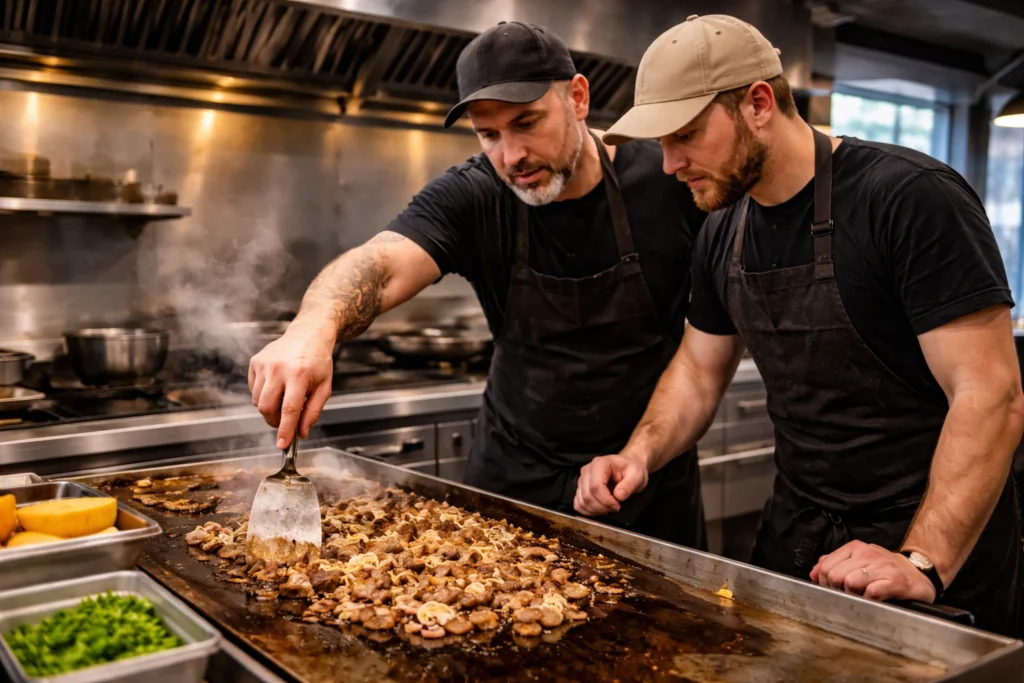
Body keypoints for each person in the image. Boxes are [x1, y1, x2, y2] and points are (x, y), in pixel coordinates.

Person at [574, 13, 1023, 635]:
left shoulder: (910, 198)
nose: (670, 164)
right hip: (797, 535)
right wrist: (639, 453)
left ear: (759, 102)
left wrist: (922, 560)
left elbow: (989, 394)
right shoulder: (721, 230)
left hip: (928, 541)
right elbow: (700, 369)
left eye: (685, 135)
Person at [248, 21, 708, 548]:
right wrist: (313, 328)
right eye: (489, 134)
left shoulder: (670, 181)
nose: (512, 156)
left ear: (578, 98)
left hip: (647, 481)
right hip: (515, 483)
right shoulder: (475, 194)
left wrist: (643, 454)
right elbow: (380, 263)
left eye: (527, 122)